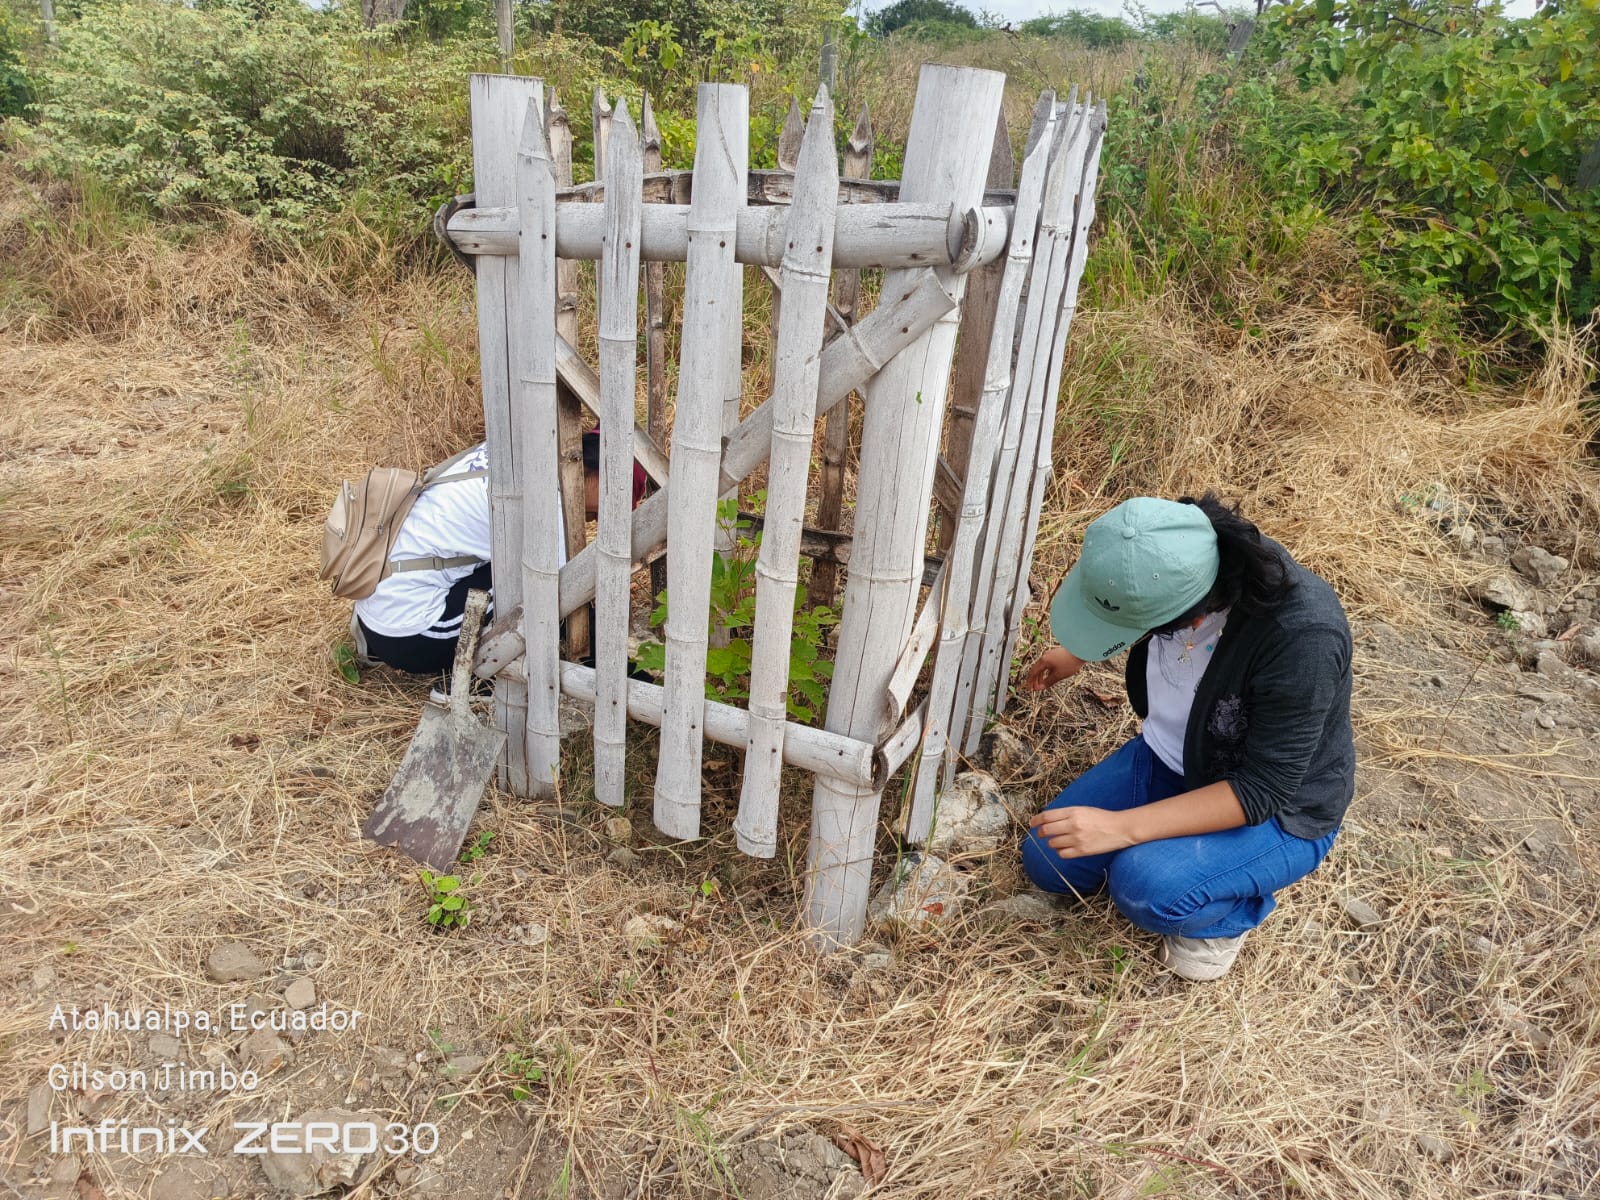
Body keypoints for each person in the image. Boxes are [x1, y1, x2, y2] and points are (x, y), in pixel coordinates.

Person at [1020, 493, 1355, 981]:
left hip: (1279, 808)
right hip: (1173, 756)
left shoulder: (1303, 637)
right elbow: (1140, 590)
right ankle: (1179, 856)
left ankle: (1231, 913)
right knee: (1049, 861)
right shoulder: (1174, 546)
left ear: (1193, 617)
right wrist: (1081, 650)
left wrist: (1122, 828)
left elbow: (1263, 789)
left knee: (1145, 888)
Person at [352, 431, 642, 677]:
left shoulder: (513, 450)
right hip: (414, 635)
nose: (594, 520)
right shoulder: (546, 505)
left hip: (380, 601)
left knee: (519, 568)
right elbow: (567, 594)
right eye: (604, 507)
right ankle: (472, 682)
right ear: (598, 475)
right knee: (541, 586)